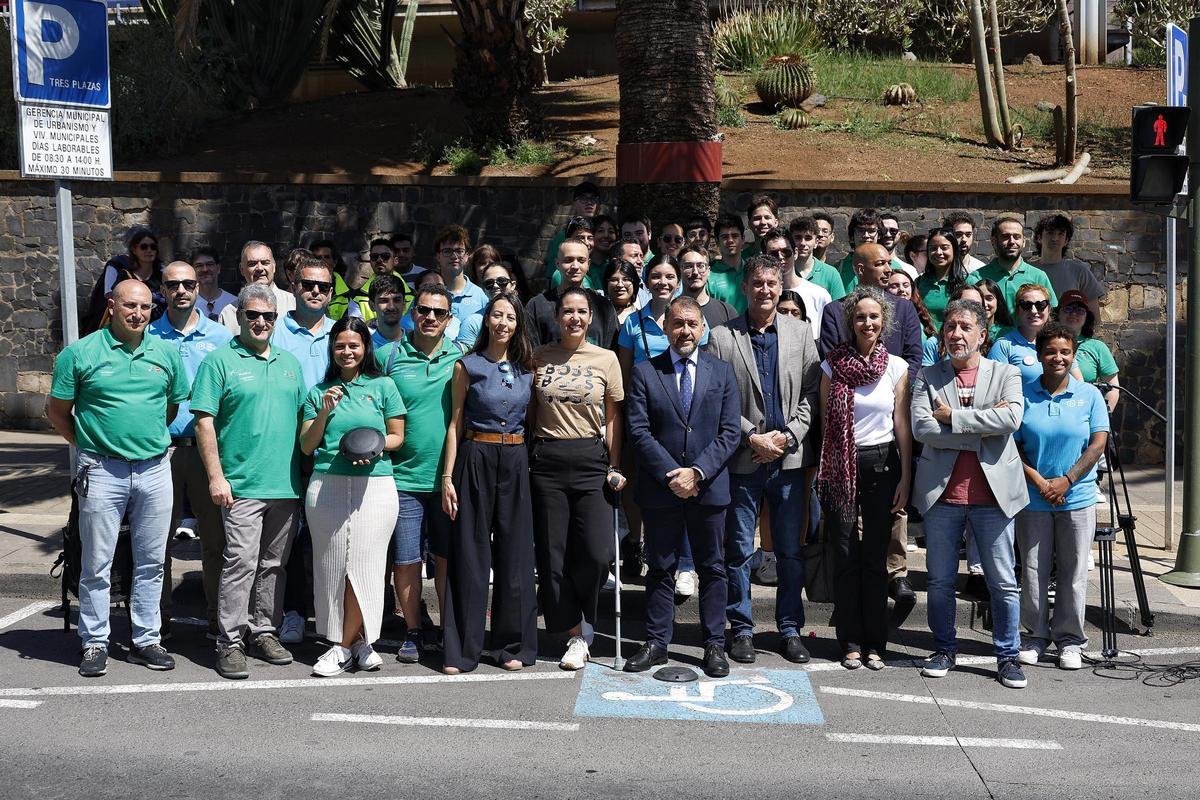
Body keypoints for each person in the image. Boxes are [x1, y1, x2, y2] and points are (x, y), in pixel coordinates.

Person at [49, 281, 188, 677]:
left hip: (155, 468)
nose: (138, 314)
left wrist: (140, 442)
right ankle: (94, 641)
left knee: (152, 561)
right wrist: (91, 445)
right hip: (101, 470)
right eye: (130, 306)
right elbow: (59, 412)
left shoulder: (165, 353)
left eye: (145, 307)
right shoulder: (80, 354)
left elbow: (170, 406)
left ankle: (146, 639)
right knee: (97, 561)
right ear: (112, 306)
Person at [707, 255, 820, 665]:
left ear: (780, 284)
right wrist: (752, 435)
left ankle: (790, 629)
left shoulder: (802, 332)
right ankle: (741, 629)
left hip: (788, 461)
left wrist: (788, 436)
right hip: (743, 458)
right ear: (745, 286)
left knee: (789, 551)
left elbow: (811, 395)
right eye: (758, 283)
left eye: (772, 282)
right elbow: (717, 397)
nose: (766, 290)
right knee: (738, 551)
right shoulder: (721, 336)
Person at [911, 299, 1029, 689]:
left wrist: (954, 419)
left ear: (982, 334)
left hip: (993, 496)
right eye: (950, 327)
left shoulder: (1006, 373)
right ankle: (944, 649)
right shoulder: (928, 376)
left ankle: (1008, 656)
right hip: (942, 496)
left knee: (1003, 583)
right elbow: (923, 430)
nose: (956, 334)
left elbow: (1011, 418)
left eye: (964, 327)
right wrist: (981, 427)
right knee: (940, 582)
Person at [192, 284, 307, 680]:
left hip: (284, 486)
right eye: (253, 315)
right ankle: (230, 642)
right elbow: (204, 421)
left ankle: (263, 631)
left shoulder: (290, 363)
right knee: (240, 563)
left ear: (277, 319)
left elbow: (303, 422)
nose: (260, 322)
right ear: (238, 316)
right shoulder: (220, 362)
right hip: (240, 486)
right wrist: (216, 477)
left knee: (274, 565)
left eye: (268, 316)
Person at [624, 296, 741, 677]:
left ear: (703, 327)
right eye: (677, 324)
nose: (685, 331)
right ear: (666, 328)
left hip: (709, 489)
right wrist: (674, 474)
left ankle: (713, 645)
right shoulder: (645, 371)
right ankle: (658, 643)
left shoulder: (722, 372)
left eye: (692, 324)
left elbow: (728, 432)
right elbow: (639, 431)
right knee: (660, 568)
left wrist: (698, 473)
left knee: (712, 568)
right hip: (662, 489)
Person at [299, 318, 406, 676]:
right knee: (332, 568)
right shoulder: (318, 392)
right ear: (332, 349)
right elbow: (307, 445)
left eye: (354, 345)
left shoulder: (384, 385)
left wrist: (375, 450)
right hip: (327, 484)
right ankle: (356, 643)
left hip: (374, 487)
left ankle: (343, 646)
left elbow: (397, 437)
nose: (347, 352)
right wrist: (325, 412)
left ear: (365, 348)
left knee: (365, 567)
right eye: (340, 345)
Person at [440, 294, 538, 674]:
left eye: (510, 317)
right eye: (497, 315)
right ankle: (461, 649)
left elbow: (529, 422)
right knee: (470, 554)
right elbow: (454, 424)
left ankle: (512, 645)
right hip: (475, 456)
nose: (503, 322)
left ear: (518, 324)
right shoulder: (467, 366)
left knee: (515, 556)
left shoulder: (527, 369)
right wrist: (448, 476)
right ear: (486, 321)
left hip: (514, 459)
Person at [530, 287, 626, 670]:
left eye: (581, 311)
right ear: (557, 317)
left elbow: (614, 417)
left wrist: (615, 464)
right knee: (553, 557)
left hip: (590, 460)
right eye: (567, 311)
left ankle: (588, 616)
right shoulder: (538, 357)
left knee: (596, 552)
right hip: (547, 460)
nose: (574, 317)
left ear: (590, 317)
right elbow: (528, 410)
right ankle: (573, 635)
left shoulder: (606, 359)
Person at [818, 286, 911, 670]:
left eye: (874, 317)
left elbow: (901, 424)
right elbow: (826, 424)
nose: (867, 323)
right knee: (844, 556)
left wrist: (906, 476)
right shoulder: (831, 366)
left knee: (875, 559)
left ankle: (876, 642)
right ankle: (850, 642)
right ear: (850, 322)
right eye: (860, 317)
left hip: (882, 466)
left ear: (883, 321)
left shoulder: (897, 367)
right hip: (841, 467)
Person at [1014, 323, 1109, 671]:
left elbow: (1098, 443)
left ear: (1073, 355)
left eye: (1065, 352)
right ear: (1039, 355)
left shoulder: (1091, 396)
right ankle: (1035, 637)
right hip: (1034, 496)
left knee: (1072, 572)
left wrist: (1067, 481)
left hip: (1078, 496)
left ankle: (1070, 640)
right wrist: (1041, 481)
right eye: (1051, 351)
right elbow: (1013, 445)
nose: (1058, 357)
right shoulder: (1023, 394)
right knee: (1034, 570)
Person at [378, 283, 463, 663]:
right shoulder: (390, 357)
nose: (430, 317)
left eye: (439, 313)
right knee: (406, 560)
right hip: (402, 479)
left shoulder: (459, 358)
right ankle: (413, 631)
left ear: (449, 320)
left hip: (446, 481)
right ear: (413, 312)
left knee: (445, 559)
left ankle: (447, 631)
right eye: (424, 310)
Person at [148, 262, 233, 642]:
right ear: (162, 289)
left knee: (216, 541)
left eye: (188, 284)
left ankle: (218, 617)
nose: (181, 290)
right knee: (155, 543)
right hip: (159, 451)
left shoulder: (219, 336)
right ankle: (158, 622)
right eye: (173, 284)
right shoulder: (148, 334)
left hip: (205, 452)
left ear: (199, 287)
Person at [820, 243, 923, 377]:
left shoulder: (904, 307)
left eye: (889, 263)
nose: (888, 270)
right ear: (860, 269)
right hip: (849, 390)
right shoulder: (834, 311)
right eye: (880, 264)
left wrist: (896, 387)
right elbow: (830, 359)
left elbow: (914, 357)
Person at [527, 237, 619, 348]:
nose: (575, 266)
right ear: (557, 264)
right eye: (568, 260)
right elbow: (531, 353)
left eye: (581, 261)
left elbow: (611, 350)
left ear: (588, 264)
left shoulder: (604, 306)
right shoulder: (537, 306)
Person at [989, 284, 1082, 384]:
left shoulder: (1061, 342)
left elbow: (1079, 383)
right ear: (1017, 311)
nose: (1034, 311)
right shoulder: (1004, 346)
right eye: (1026, 305)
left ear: (1049, 309)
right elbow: (995, 387)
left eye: (1040, 305)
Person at [969, 215, 1058, 318]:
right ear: (993, 241)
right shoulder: (976, 278)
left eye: (1017, 237)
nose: (1012, 242)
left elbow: (1052, 314)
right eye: (1006, 237)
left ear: (1024, 242)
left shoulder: (1038, 277)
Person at [1056, 290, 1119, 412]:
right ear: (1057, 313)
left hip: (1083, 411)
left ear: (1087, 317)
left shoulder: (1097, 347)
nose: (1073, 313)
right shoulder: (1045, 343)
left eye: (1080, 310)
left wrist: (1103, 419)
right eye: (1068, 308)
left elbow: (1113, 388)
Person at [1034, 214, 1107, 319]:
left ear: (1066, 241)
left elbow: (1094, 317)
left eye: (1060, 234)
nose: (1055, 238)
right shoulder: (1027, 271)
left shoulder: (1079, 271)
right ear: (1039, 238)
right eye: (1050, 233)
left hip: (1070, 334)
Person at [763, 227, 831, 339]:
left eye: (786, 252)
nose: (780, 257)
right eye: (774, 254)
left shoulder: (819, 296)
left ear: (795, 253)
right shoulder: (762, 296)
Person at [218, 241, 297, 333]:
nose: (259, 268)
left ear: (274, 267)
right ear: (242, 269)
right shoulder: (229, 314)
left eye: (265, 263)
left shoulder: (294, 305)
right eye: (252, 264)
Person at [544, 180, 602, 279]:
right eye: (583, 198)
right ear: (574, 203)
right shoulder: (563, 236)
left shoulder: (604, 233)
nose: (589, 202)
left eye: (593, 199)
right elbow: (552, 274)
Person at [457, 261, 522, 349]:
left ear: (513, 285)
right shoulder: (473, 322)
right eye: (489, 283)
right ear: (483, 289)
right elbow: (464, 358)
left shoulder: (524, 317)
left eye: (501, 281)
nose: (495, 286)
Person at [433, 225, 489, 324]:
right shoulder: (427, 292)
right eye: (447, 251)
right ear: (438, 256)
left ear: (467, 256)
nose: (454, 256)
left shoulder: (480, 296)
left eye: (459, 251)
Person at [914, 227, 968, 329]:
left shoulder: (967, 282)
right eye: (933, 248)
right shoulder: (919, 282)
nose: (938, 252)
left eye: (944, 247)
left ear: (954, 249)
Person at [678, 244, 738, 332]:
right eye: (688, 266)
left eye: (701, 266)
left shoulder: (727, 312)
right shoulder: (670, 310)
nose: (695, 272)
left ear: (708, 271)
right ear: (679, 271)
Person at [789, 215, 846, 300]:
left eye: (808, 238)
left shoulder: (831, 274)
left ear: (816, 242)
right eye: (798, 238)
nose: (802, 243)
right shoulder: (785, 271)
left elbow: (839, 310)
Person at [710, 213, 749, 312]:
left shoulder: (752, 271)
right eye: (724, 237)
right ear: (717, 241)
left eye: (735, 236)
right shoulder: (709, 276)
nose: (730, 240)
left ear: (743, 239)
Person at [192, 246, 236, 322]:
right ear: (192, 270)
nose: (205, 269)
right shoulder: (189, 304)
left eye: (209, 264)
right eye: (199, 265)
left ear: (218, 268)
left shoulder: (234, 303)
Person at [368, 275, 408, 351]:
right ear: (372, 305)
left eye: (397, 300)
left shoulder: (417, 344)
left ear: (404, 304)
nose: (391, 307)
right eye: (384, 301)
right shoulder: (366, 347)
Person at [604, 257, 642, 327]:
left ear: (634, 284)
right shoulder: (598, 315)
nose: (620, 285)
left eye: (626, 279)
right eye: (614, 280)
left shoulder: (642, 317)